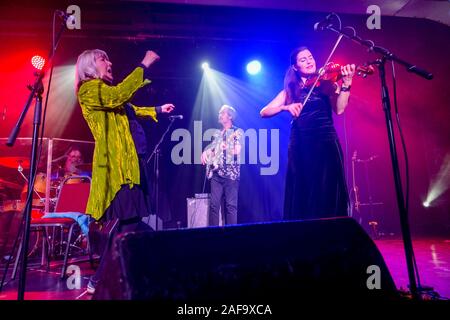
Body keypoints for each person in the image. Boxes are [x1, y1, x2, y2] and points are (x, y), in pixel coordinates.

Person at [75, 49, 175, 294]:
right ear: (90, 66)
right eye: (103, 59)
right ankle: (104, 278)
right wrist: (144, 64)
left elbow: (131, 108)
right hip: (115, 169)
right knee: (129, 224)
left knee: (127, 224)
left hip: (127, 165)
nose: (109, 62)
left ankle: (103, 279)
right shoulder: (89, 90)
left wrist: (159, 110)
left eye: (109, 58)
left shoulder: (107, 94)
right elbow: (120, 94)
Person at [260, 47, 355, 220]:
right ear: (295, 67)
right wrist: (286, 107)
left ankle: (331, 232)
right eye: (303, 60)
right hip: (301, 144)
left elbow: (339, 109)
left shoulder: (327, 84)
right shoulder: (289, 92)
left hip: (326, 141)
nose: (309, 61)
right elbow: (264, 112)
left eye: (310, 57)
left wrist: (346, 84)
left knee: (328, 186)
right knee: (304, 186)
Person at [201, 105, 243, 226]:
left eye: (222, 113)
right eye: (219, 113)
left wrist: (226, 148)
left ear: (230, 116)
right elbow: (213, 150)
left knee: (231, 207)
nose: (219, 114)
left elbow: (237, 151)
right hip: (216, 174)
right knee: (214, 206)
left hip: (231, 176)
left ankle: (232, 236)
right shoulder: (217, 133)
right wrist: (205, 152)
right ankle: (214, 236)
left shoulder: (237, 132)